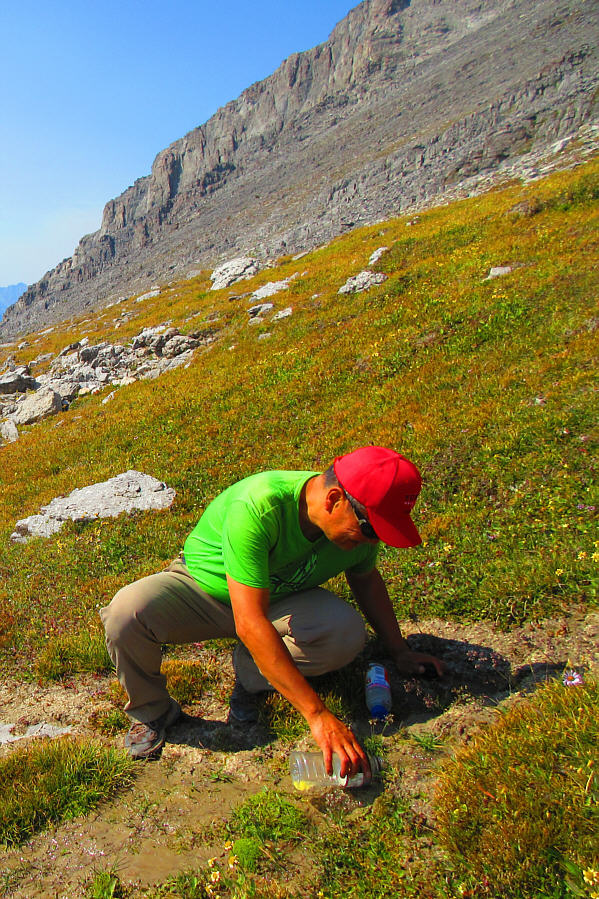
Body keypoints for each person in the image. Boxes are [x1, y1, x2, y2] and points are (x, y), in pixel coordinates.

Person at [100, 446, 445, 774]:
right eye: (370, 529)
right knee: (126, 613)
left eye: (382, 533)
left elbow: (366, 581)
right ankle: (152, 712)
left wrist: (399, 650)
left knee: (345, 633)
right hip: (205, 589)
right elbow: (249, 621)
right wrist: (317, 714)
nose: (372, 541)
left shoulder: (354, 534)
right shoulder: (259, 506)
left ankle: (251, 674)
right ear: (334, 499)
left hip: (281, 597)